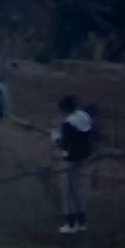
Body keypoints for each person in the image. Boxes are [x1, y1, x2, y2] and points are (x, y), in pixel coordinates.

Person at [52, 95, 94, 234]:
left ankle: (70, 225)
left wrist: (56, 139)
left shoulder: (68, 123)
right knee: (80, 191)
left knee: (68, 192)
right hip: (86, 158)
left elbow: (64, 143)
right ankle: (82, 223)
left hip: (71, 159)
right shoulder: (84, 116)